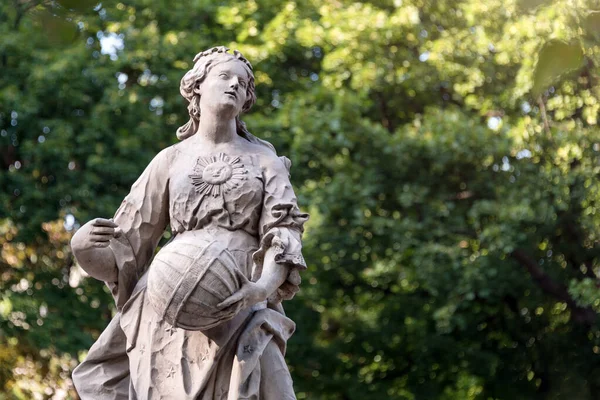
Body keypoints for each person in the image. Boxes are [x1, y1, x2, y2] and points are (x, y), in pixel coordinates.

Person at [70, 46, 309, 399]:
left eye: (242, 84)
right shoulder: (170, 160)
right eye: (224, 77)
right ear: (196, 87)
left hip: (241, 294)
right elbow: (128, 249)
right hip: (169, 300)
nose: (234, 86)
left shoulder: (265, 161)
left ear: (246, 100)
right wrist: (84, 250)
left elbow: (283, 235)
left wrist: (261, 288)